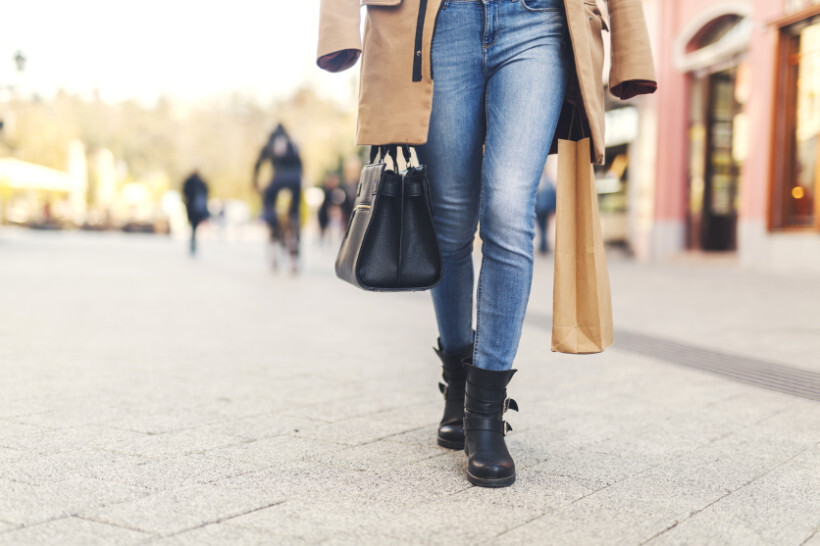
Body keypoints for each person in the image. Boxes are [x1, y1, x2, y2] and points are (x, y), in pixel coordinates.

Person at [317, 0, 656, 488]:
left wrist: (632, 48)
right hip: (441, 21)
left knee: (509, 204)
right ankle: (458, 380)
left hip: (537, 22)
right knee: (450, 220)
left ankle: (485, 412)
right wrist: (337, 27)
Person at [253, 124, 303, 272]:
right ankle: (293, 235)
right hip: (295, 182)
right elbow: (301, 164)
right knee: (294, 214)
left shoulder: (271, 142)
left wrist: (255, 182)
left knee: (268, 200)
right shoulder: (292, 143)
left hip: (278, 180)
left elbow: (258, 164)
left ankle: (271, 221)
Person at [182, 170, 209, 255]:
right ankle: (193, 243)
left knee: (194, 227)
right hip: (195, 209)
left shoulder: (192, 182)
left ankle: (193, 243)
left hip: (193, 208)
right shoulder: (200, 183)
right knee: (194, 227)